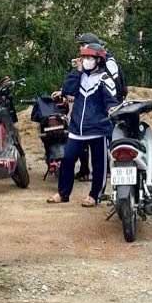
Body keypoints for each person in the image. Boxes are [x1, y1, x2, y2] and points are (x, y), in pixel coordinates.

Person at [47, 43, 118, 207]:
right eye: (84, 57)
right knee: (68, 159)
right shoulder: (79, 77)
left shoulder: (105, 79)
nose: (86, 60)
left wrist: (112, 111)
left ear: (98, 60)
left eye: (89, 58)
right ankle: (63, 193)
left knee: (99, 164)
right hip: (76, 128)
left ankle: (95, 195)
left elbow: (110, 102)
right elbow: (68, 90)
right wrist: (77, 71)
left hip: (98, 129)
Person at [73, 33, 127, 181]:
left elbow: (112, 85)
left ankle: (109, 170)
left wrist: (111, 105)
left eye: (82, 44)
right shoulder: (89, 60)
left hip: (106, 105)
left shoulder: (108, 62)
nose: (80, 48)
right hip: (94, 104)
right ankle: (85, 169)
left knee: (107, 138)